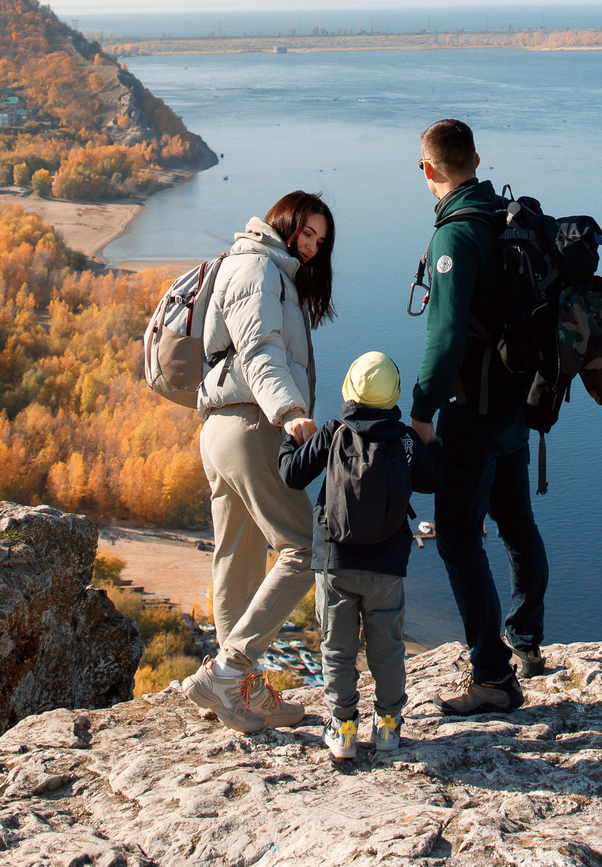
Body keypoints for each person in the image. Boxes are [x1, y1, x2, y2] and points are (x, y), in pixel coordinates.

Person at [179, 192, 335, 734]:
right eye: (306, 233)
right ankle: (229, 670)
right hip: (251, 427)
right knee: (304, 548)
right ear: (283, 223)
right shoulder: (257, 268)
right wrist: (289, 410)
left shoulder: (256, 266)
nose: (312, 247)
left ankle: (235, 695)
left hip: (221, 429)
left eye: (320, 240)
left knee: (237, 560)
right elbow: (259, 347)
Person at [408, 118, 549, 715]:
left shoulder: (455, 235)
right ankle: (526, 641)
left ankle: (492, 677)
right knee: (515, 520)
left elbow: (443, 338)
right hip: (517, 403)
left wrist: (421, 412)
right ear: (476, 159)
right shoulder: (506, 216)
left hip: (474, 409)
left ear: (428, 169)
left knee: (461, 539)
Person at [278, 350, 441, 762]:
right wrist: (431, 442)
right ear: (394, 394)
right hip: (387, 566)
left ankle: (343, 728)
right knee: (387, 647)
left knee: (338, 648)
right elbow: (433, 479)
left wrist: (288, 438)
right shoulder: (404, 439)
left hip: (335, 562)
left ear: (349, 389)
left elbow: (291, 474)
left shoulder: (334, 432)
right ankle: (388, 726)